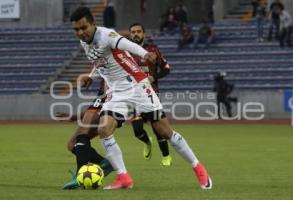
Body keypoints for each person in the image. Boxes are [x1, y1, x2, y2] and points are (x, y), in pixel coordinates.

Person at [70, 6, 212, 190]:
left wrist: (145, 54)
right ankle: (123, 178)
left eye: (83, 28)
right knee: (104, 130)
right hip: (117, 92)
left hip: (137, 86)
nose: (81, 33)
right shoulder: (85, 43)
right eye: (76, 30)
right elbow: (101, 62)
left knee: (165, 132)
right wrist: (91, 76)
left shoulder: (106, 35)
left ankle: (198, 167)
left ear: (92, 24)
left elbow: (126, 44)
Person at [57, 79, 114, 189]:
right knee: (72, 144)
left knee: (82, 135)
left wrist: (90, 77)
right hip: (102, 100)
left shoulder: (111, 70)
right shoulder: (104, 79)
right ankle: (104, 163)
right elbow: (92, 107)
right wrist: (73, 117)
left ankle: (79, 176)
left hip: (110, 101)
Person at [128, 23, 172, 166]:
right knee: (137, 130)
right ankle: (147, 142)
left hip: (151, 94)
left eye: (138, 31)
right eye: (133, 32)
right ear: (130, 35)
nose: (136, 34)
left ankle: (166, 156)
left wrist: (154, 77)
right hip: (133, 95)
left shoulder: (153, 50)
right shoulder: (125, 52)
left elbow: (166, 68)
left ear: (144, 34)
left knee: (158, 128)